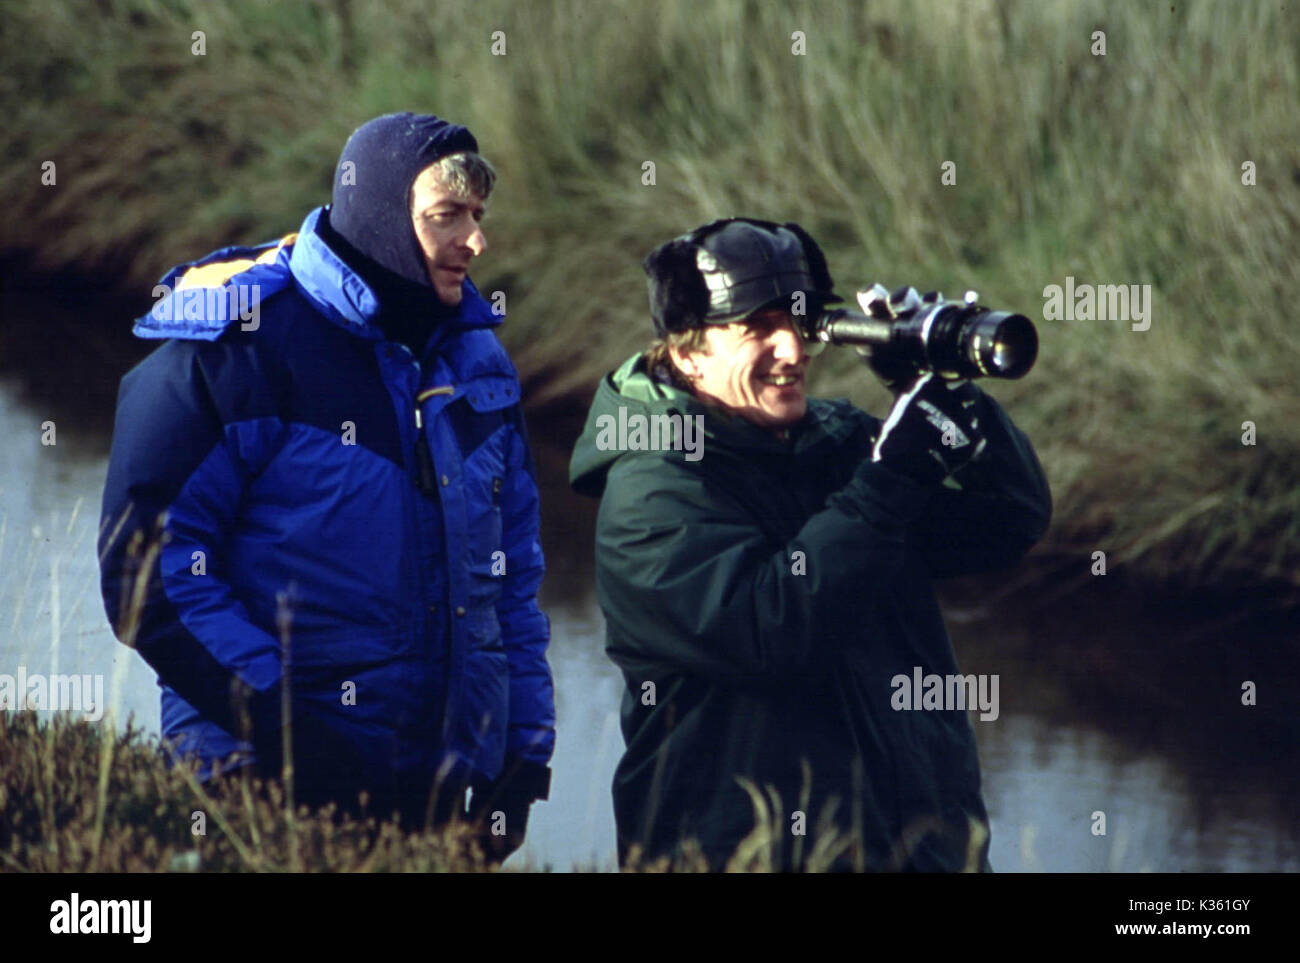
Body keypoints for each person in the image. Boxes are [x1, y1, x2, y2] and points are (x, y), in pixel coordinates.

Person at [98, 113, 554, 862]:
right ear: (378, 216)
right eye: (447, 217)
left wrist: (523, 756)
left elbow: (514, 581)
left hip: (433, 802)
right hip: (252, 790)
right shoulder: (236, 349)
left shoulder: (481, 365)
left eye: (478, 217)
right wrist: (287, 734)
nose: (476, 242)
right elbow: (147, 573)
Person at [569, 217, 1051, 871]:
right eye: (757, 327)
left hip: (919, 851)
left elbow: (1009, 520)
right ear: (686, 352)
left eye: (800, 323)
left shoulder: (838, 440)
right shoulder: (652, 490)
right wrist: (893, 476)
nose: (791, 350)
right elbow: (772, 629)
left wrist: (938, 390)